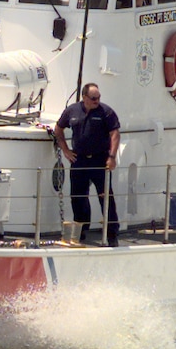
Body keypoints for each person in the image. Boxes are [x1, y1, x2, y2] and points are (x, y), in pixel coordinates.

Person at [55, 83, 121, 246]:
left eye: (98, 98)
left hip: (100, 160)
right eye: (93, 98)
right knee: (78, 196)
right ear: (84, 98)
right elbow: (58, 129)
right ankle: (81, 232)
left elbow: (115, 134)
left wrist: (112, 157)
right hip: (79, 160)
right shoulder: (72, 111)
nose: (97, 101)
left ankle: (112, 233)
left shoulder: (106, 112)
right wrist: (66, 151)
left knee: (105, 196)